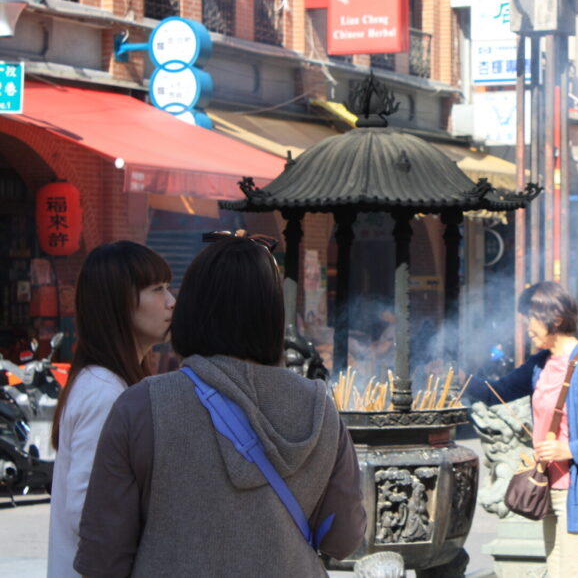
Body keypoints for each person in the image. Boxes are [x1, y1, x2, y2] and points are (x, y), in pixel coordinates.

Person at [74, 236, 366, 576]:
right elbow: (342, 539)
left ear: (191, 309)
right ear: (272, 315)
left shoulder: (141, 406)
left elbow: (102, 556)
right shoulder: (320, 408)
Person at [468, 281, 578, 578]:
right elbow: (499, 391)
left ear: (554, 319)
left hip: (577, 489)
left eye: (529, 320)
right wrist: (458, 377)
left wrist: (569, 450)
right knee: (556, 570)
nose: (526, 328)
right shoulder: (540, 363)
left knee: (573, 572)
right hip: (548, 486)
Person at [47, 241, 173, 578]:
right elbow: (90, 514)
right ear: (119, 302)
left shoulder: (107, 383)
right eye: (157, 289)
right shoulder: (104, 392)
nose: (171, 301)